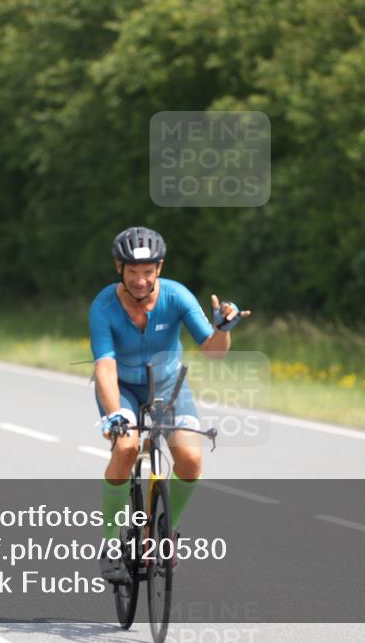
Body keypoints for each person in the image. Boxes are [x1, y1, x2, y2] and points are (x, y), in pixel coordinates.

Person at [89, 226, 250, 583]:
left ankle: (167, 527)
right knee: (127, 446)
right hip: (124, 390)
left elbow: (213, 351)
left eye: (148, 272)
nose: (141, 281)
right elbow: (105, 365)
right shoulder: (103, 305)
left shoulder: (177, 296)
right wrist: (115, 413)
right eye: (133, 272)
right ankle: (112, 544)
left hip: (168, 388)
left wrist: (223, 329)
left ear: (159, 268)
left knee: (191, 460)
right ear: (119, 267)